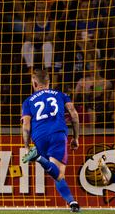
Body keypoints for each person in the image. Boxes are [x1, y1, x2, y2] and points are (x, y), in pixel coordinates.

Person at [21, 69, 82, 213]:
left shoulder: (28, 101)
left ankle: (72, 202)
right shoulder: (61, 95)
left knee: (58, 175)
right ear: (48, 82)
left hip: (39, 136)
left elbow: (26, 125)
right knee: (59, 174)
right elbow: (74, 114)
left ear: (34, 83)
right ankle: (39, 158)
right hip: (57, 133)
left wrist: (26, 145)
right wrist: (76, 137)